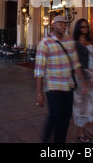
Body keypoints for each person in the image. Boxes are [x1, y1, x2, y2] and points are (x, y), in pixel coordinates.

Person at [34, 15, 88, 143]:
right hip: (53, 87)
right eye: (60, 24)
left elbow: (75, 63)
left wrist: (82, 80)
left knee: (66, 117)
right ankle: (46, 137)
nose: (63, 26)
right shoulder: (45, 43)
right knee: (56, 115)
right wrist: (39, 93)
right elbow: (39, 70)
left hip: (67, 86)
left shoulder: (69, 41)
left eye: (65, 24)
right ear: (53, 25)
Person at [72, 19, 93, 143]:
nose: (84, 29)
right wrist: (82, 79)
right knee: (81, 104)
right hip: (82, 75)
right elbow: (76, 63)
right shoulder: (75, 43)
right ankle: (80, 131)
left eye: (86, 27)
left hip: (92, 74)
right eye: (82, 27)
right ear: (78, 29)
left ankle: (91, 126)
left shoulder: (89, 41)